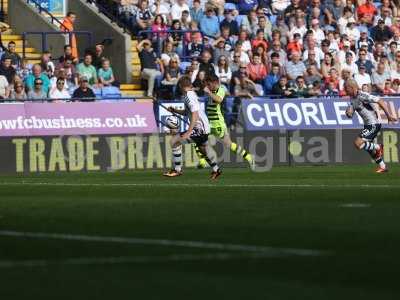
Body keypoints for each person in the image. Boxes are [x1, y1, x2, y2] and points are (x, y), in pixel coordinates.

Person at [163, 76, 222, 179]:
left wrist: (189, 132)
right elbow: (188, 112)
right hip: (203, 127)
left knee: (174, 141)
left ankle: (177, 170)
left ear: (181, 86)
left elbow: (195, 114)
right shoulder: (190, 95)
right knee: (202, 149)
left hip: (200, 128)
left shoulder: (189, 96)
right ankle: (216, 169)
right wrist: (175, 110)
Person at [194, 74, 254, 169]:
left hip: (218, 124)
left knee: (228, 144)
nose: (207, 86)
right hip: (209, 123)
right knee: (197, 139)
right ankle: (202, 161)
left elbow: (218, 100)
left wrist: (209, 92)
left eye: (209, 84)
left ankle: (248, 156)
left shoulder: (221, 90)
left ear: (215, 83)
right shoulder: (211, 90)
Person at [344, 79, 397, 173]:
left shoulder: (362, 95)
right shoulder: (352, 98)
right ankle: (383, 167)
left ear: (352, 87)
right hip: (367, 125)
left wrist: (388, 115)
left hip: (373, 124)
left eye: (346, 88)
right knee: (369, 150)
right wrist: (349, 113)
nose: (345, 90)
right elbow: (351, 113)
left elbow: (379, 100)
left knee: (358, 143)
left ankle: (378, 147)